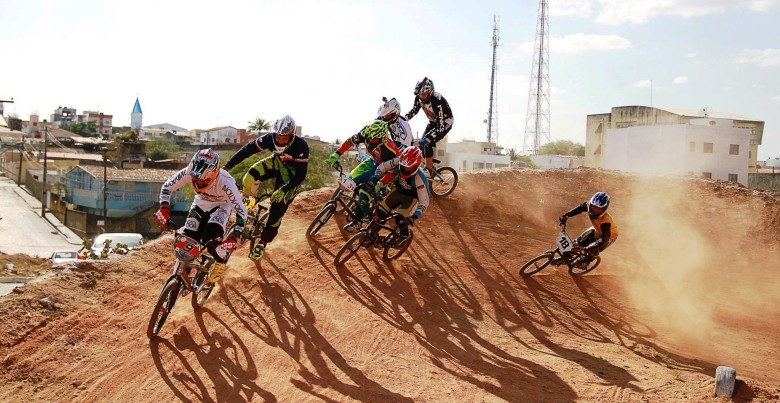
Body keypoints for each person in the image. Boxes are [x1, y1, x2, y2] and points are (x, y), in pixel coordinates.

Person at [155, 148, 247, 284]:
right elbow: (167, 187)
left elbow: (242, 213)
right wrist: (164, 208)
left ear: (214, 175)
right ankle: (178, 274)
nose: (198, 183)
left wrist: (235, 236)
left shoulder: (227, 184)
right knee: (187, 239)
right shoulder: (188, 172)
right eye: (195, 178)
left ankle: (220, 261)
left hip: (221, 205)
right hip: (200, 202)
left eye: (204, 181)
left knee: (211, 240)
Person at [223, 114, 309, 260]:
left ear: (292, 136)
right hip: (276, 163)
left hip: (291, 175)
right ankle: (247, 207)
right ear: (274, 133)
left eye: (285, 138)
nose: (281, 140)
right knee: (248, 178)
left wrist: (283, 189)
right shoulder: (269, 138)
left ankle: (262, 243)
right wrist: (227, 167)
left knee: (277, 207)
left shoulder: (301, 146)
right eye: (278, 137)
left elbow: (300, 176)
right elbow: (247, 150)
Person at [328, 120, 400, 232]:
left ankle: (358, 220)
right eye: (369, 138)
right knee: (350, 180)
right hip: (372, 162)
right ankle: (359, 201)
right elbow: (349, 141)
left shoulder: (390, 151)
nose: (371, 140)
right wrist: (337, 153)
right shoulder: (365, 133)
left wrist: (380, 183)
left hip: (386, 170)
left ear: (382, 138)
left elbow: (394, 172)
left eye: (374, 139)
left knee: (365, 194)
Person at [369, 146, 430, 239]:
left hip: (411, 198)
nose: (405, 168)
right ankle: (371, 237)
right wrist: (375, 178)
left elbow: (424, 201)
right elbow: (383, 166)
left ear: (415, 166)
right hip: (397, 191)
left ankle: (403, 237)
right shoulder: (399, 160)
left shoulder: (419, 178)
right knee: (380, 213)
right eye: (403, 165)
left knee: (400, 219)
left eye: (408, 167)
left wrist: (414, 217)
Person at [404, 77, 453, 173]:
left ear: (430, 92)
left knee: (427, 142)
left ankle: (429, 168)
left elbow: (441, 126)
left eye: (424, 94)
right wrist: (403, 119)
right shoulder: (419, 98)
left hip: (445, 123)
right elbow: (414, 111)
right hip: (433, 122)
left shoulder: (437, 100)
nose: (421, 97)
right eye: (420, 94)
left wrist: (429, 138)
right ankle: (430, 163)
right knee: (422, 146)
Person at [558, 192, 619, 260]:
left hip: (609, 236)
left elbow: (604, 239)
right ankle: (566, 258)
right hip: (597, 229)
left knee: (592, 252)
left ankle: (584, 263)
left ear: (604, 209)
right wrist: (566, 215)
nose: (595, 210)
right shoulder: (588, 205)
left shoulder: (606, 222)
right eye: (593, 206)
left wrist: (590, 248)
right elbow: (580, 209)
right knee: (578, 242)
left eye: (598, 208)